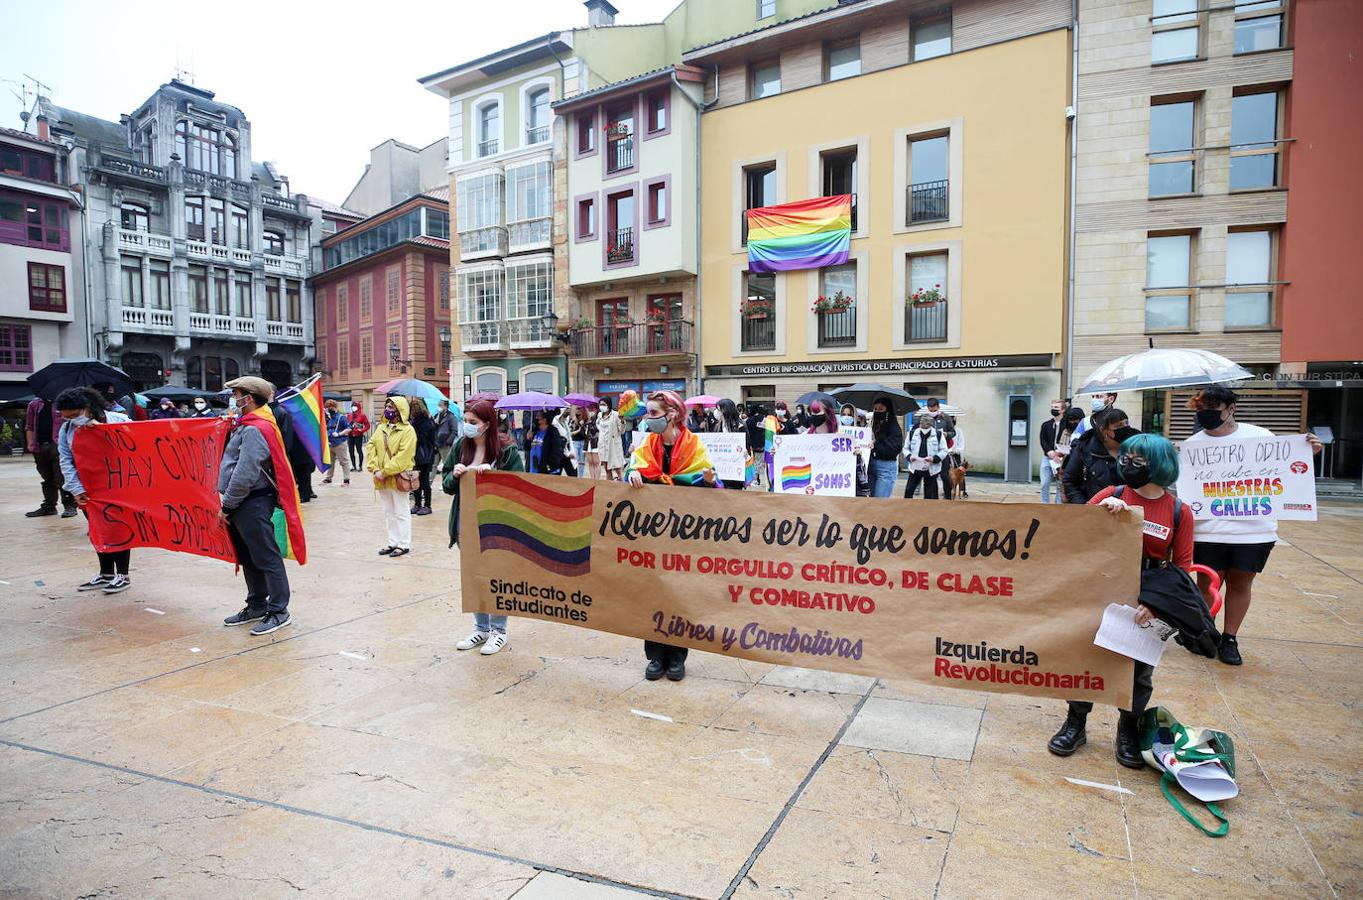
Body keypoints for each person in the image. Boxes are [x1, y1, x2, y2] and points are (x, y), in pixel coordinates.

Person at [1048, 433, 1191, 767]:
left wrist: (1157, 606)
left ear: (1160, 465)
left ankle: (1128, 730)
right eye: (1126, 458)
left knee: (1138, 673)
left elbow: (1182, 568)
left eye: (1138, 460)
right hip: (1102, 590)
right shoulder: (1111, 494)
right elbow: (1073, 534)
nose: (1128, 465)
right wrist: (1103, 515)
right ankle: (1076, 723)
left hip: (1149, 599)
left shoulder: (1179, 512)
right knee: (1087, 659)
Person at [1184, 385, 1322, 666]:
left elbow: (1286, 470)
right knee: (1207, 583)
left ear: (1230, 409)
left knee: (1240, 583)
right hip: (1208, 530)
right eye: (1201, 411)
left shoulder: (1260, 437)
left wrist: (1309, 454)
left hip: (1254, 531)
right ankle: (1204, 632)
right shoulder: (1193, 444)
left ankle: (1230, 639)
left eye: (1213, 410)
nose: (1206, 416)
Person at [626, 390, 719, 681]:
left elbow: (709, 490)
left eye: (653, 414)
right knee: (653, 591)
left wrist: (708, 481)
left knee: (679, 593)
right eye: (647, 413)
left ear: (673, 414)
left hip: (684, 534)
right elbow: (633, 475)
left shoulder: (694, 446)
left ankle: (677, 657)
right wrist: (632, 475)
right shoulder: (646, 446)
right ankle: (655, 656)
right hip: (653, 534)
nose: (648, 419)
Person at [218, 376, 302, 636]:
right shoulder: (246, 424)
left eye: (238, 394)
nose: (234, 398)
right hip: (243, 502)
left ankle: (278, 610)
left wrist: (228, 506)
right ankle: (256, 604)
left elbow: (245, 473)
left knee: (266, 556)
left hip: (251, 501)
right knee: (249, 557)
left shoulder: (255, 429)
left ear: (250, 398)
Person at [446, 397, 525, 656]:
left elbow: (520, 488)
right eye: (465, 421)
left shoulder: (506, 451)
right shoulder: (460, 445)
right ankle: (480, 627)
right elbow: (446, 485)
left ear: (487, 424)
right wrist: (455, 474)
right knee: (474, 574)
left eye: (473, 422)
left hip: (497, 525)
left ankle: (498, 630)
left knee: (496, 575)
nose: (467, 426)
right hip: (465, 521)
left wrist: (493, 478)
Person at [55, 387, 133, 593]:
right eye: (66, 417)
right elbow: (66, 460)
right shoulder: (66, 430)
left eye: (74, 415)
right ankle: (105, 573)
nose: (71, 420)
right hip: (88, 490)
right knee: (98, 530)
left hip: (118, 487)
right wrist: (75, 488)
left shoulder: (118, 420)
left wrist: (102, 432)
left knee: (118, 529)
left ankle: (122, 575)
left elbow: (137, 446)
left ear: (88, 408)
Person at [367, 396, 417, 557]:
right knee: (389, 512)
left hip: (397, 476)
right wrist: (374, 468)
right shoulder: (382, 427)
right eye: (387, 406)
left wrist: (384, 471)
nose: (387, 409)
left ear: (400, 411)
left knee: (401, 511)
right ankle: (392, 542)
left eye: (391, 407)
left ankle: (404, 544)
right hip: (381, 477)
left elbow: (403, 456)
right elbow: (371, 446)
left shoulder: (408, 431)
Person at [1062, 408, 1137, 504]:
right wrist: (1085, 506)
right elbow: (1069, 481)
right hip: (1096, 509)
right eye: (1118, 426)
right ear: (1103, 430)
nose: (1125, 428)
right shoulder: (1084, 448)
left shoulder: (1139, 446)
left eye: (1126, 423)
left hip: (1131, 508)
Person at [24, 396, 76, 518]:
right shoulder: (34, 404)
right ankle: (49, 506)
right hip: (40, 445)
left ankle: (69, 505)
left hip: (58, 445)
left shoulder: (62, 403)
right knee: (46, 477)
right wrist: (30, 444)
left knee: (61, 476)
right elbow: (29, 426)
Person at [271, 394, 316, 504]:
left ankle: (306, 494)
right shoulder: (291, 417)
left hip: (302, 452)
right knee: (302, 475)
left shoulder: (293, 417)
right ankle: (306, 492)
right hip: (298, 452)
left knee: (303, 474)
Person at [868, 397, 903, 498]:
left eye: (881, 409)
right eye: (875, 409)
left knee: (880, 501)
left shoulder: (894, 427)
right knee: (869, 500)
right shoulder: (872, 425)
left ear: (888, 410)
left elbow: (894, 448)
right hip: (871, 465)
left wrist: (876, 444)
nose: (877, 411)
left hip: (885, 467)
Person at [904, 412, 944, 499]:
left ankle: (929, 511)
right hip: (915, 467)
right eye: (921, 423)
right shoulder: (912, 433)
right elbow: (905, 448)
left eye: (925, 424)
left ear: (930, 425)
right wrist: (909, 456)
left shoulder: (938, 434)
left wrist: (934, 458)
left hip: (931, 468)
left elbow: (944, 450)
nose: (923, 426)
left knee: (930, 494)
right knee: (908, 491)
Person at [408, 397, 437, 516]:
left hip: (424, 455)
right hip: (416, 455)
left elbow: (423, 439)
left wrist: (412, 431)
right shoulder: (414, 422)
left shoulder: (426, 422)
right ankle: (417, 504)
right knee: (415, 480)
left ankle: (427, 506)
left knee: (424, 482)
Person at [923, 399, 958, 499]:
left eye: (934, 410)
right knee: (931, 476)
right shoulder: (924, 418)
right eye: (930, 410)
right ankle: (934, 498)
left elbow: (953, 432)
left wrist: (946, 434)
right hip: (930, 452)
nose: (932, 412)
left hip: (943, 451)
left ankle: (947, 496)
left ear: (938, 407)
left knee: (944, 476)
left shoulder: (945, 417)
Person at [1039, 400, 1064, 503]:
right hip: (1048, 457)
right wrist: (1049, 452)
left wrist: (1059, 453)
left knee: (1060, 484)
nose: (1054, 409)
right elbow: (1043, 440)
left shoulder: (1066, 425)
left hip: (1061, 458)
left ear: (1062, 410)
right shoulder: (1046, 425)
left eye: (1056, 408)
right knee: (1044, 483)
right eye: (1052, 407)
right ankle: (1045, 504)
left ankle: (1058, 505)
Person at [321, 400, 351, 486]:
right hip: (330, 443)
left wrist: (339, 434)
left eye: (330, 407)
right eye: (327, 408)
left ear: (334, 407)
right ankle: (329, 478)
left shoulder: (341, 417)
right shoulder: (328, 418)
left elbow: (348, 429)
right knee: (330, 462)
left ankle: (346, 479)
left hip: (340, 443)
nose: (329, 409)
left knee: (344, 461)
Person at [597, 399, 626, 480]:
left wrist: (622, 421)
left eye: (603, 404)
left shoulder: (616, 415)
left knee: (618, 469)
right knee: (607, 469)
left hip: (613, 445)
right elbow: (598, 425)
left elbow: (622, 431)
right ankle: (609, 487)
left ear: (609, 405)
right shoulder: (599, 415)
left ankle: (621, 485)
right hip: (603, 445)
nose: (601, 406)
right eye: (600, 404)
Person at [433, 399, 456, 473]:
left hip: (445, 443)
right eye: (438, 405)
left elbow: (454, 430)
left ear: (445, 406)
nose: (439, 407)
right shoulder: (437, 416)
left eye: (440, 405)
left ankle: (446, 481)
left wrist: (448, 441)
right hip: (437, 443)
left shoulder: (451, 416)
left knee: (446, 464)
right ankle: (429, 482)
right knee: (434, 464)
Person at [347, 401, 370, 470]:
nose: (353, 407)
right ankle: (353, 466)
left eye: (355, 406)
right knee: (351, 451)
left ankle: (360, 466)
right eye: (352, 406)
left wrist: (362, 430)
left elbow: (368, 425)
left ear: (358, 407)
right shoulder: (349, 415)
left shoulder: (362, 415)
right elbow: (346, 424)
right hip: (350, 435)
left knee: (359, 450)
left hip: (358, 435)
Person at [582, 406, 601, 479]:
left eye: (593, 409)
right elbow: (583, 434)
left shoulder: (598, 419)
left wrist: (591, 423)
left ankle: (597, 480)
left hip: (595, 442)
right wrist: (583, 424)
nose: (591, 411)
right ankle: (592, 478)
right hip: (587, 443)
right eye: (589, 409)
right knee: (590, 462)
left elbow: (597, 430)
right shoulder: (585, 421)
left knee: (596, 462)